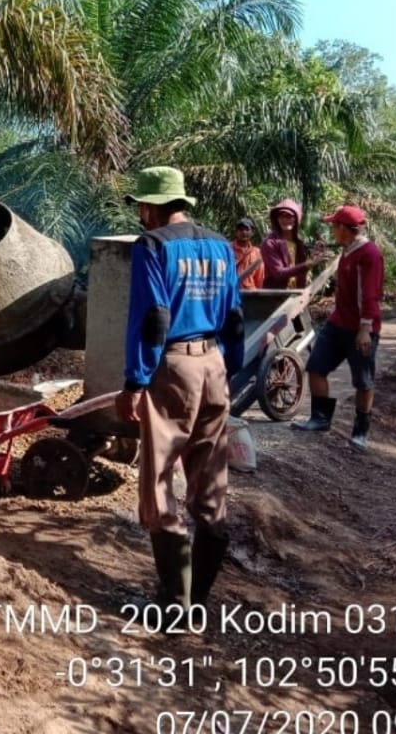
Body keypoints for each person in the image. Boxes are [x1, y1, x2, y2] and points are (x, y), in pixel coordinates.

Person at [115, 166, 245, 622]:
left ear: (151, 206)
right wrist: (232, 367)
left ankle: (173, 604)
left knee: (158, 483)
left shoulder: (153, 246)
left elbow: (153, 318)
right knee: (210, 481)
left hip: (172, 368)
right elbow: (233, 316)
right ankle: (198, 606)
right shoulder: (221, 245)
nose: (141, 216)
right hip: (214, 365)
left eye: (141, 208)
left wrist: (135, 381)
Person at [291, 205, 384, 450]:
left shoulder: (369, 254)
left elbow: (370, 294)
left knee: (363, 381)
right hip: (338, 322)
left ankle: (361, 431)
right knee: (316, 367)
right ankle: (320, 419)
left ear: (344, 228)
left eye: (334, 226)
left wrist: (365, 328)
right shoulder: (348, 251)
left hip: (361, 327)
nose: (332, 230)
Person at [260, 198, 325, 289]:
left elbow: (300, 269)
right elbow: (279, 273)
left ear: (296, 219)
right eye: (282, 216)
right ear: (277, 219)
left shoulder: (298, 243)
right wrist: (309, 263)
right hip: (275, 297)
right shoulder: (270, 243)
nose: (285, 220)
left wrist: (313, 258)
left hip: (296, 294)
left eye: (290, 216)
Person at [231, 217, 265, 289]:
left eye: (247, 229)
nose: (244, 232)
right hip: (231, 291)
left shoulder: (257, 252)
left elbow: (260, 276)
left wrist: (259, 292)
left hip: (250, 292)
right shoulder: (228, 249)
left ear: (252, 232)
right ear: (236, 232)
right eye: (241, 230)